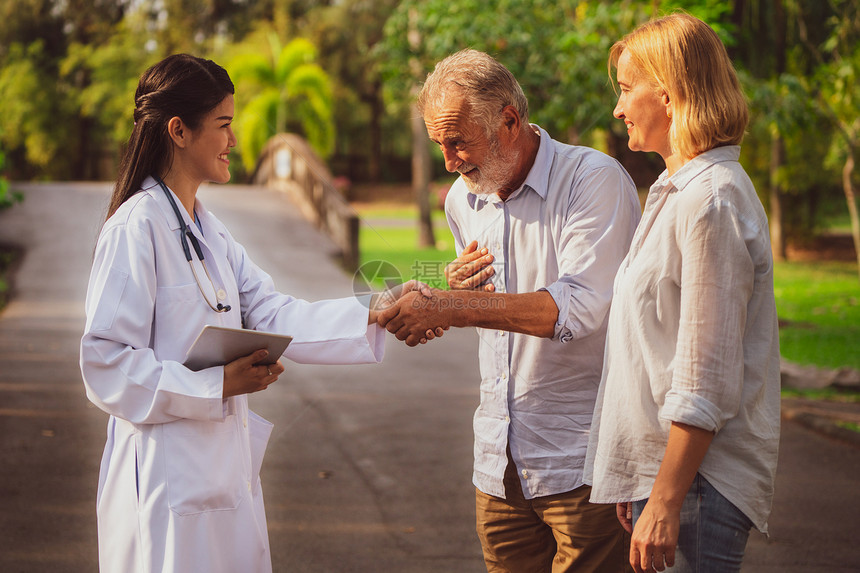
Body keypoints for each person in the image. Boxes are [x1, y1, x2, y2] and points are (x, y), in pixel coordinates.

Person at [79, 54, 433, 573]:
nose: (235, 140)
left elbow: (270, 312)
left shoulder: (207, 229)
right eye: (223, 125)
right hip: (162, 481)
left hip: (219, 473)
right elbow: (104, 363)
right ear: (179, 131)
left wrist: (375, 309)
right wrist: (215, 385)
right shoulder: (136, 227)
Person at [378, 49, 642, 572]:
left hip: (583, 461)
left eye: (458, 142)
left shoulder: (592, 180)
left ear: (509, 120)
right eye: (440, 145)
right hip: (498, 463)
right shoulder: (461, 198)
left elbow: (581, 307)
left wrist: (453, 307)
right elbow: (486, 299)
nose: (449, 161)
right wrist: (452, 291)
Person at [583, 13, 781, 573]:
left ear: (667, 96)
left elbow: (706, 375)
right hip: (675, 477)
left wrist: (666, 497)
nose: (618, 109)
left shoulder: (710, 200)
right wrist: (638, 472)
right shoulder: (678, 190)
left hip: (697, 483)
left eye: (626, 90)